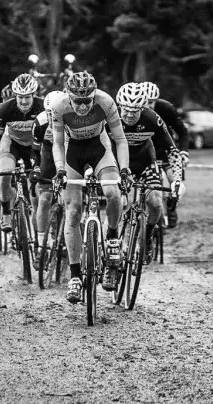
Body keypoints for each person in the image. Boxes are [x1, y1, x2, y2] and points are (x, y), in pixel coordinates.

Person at [49, 71, 130, 300]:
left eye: (87, 101)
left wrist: (124, 170)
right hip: (72, 151)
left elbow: (120, 140)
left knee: (113, 193)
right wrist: (60, 171)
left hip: (99, 147)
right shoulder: (59, 106)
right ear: (68, 96)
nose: (83, 107)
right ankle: (75, 276)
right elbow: (57, 142)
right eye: (78, 101)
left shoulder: (105, 102)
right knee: (73, 211)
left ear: (94, 96)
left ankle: (112, 238)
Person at [116, 83, 185, 263]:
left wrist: (177, 179)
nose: (130, 115)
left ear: (143, 108)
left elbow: (172, 151)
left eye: (135, 110)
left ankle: (147, 236)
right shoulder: (110, 117)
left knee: (155, 202)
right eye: (126, 110)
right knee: (122, 202)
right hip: (119, 165)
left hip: (146, 162)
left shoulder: (153, 118)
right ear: (119, 106)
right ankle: (114, 245)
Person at [0, 74, 45, 232]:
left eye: (27, 97)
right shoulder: (4, 109)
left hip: (34, 148)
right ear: (15, 95)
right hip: (12, 144)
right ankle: (6, 212)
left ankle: (39, 236)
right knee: (5, 173)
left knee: (36, 190)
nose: (23, 101)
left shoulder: (43, 108)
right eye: (20, 97)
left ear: (33, 95)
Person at [140, 82, 189, 227]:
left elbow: (182, 131)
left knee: (174, 179)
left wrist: (184, 151)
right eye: (145, 102)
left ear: (157, 101)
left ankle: (172, 208)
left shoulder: (166, 108)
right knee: (153, 184)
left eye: (151, 102)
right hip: (146, 148)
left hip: (164, 148)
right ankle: (155, 215)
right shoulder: (136, 110)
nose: (148, 106)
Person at [31, 90, 65, 269]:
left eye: (56, 114)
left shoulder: (72, 118)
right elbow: (35, 151)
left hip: (69, 154)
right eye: (50, 114)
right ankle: (41, 247)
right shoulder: (41, 122)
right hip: (48, 155)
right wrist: (36, 168)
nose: (53, 118)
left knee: (72, 201)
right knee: (44, 199)